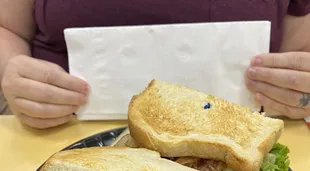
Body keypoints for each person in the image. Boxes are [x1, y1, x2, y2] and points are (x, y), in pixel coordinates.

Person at [0, 1, 309, 129]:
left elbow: (300, 52)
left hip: (242, 145)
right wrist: (13, 71)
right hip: (58, 135)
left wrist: (302, 92)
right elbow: (8, 28)